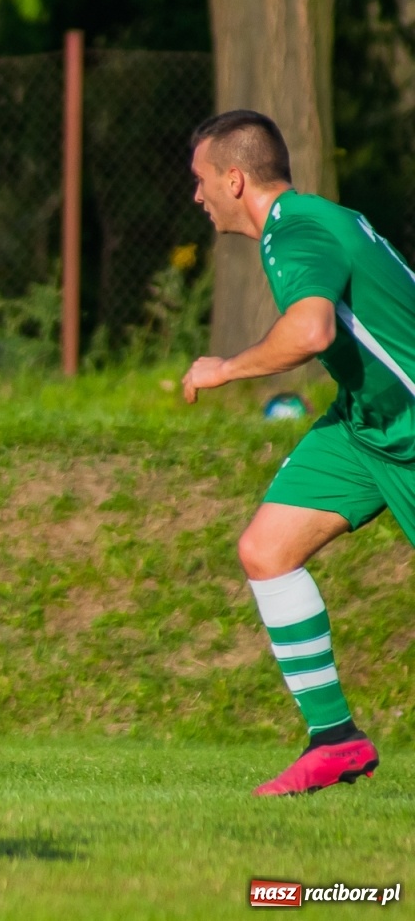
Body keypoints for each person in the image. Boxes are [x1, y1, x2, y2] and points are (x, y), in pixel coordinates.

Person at [182, 109, 399, 796]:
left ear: (235, 179)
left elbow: (309, 329)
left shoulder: (297, 229)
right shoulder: (309, 220)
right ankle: (334, 741)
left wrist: (224, 369)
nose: (197, 195)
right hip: (365, 424)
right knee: (266, 550)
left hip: (410, 429)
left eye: (202, 180)